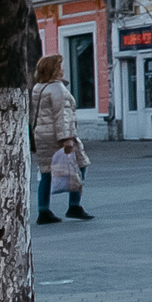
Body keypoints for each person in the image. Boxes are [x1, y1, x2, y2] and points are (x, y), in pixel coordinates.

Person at [29, 54, 93, 223]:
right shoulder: (57, 89)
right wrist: (67, 139)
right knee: (80, 166)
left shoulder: (38, 88)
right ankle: (74, 206)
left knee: (46, 172)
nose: (63, 69)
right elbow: (62, 116)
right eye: (60, 66)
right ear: (54, 70)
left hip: (42, 135)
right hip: (58, 135)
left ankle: (43, 211)